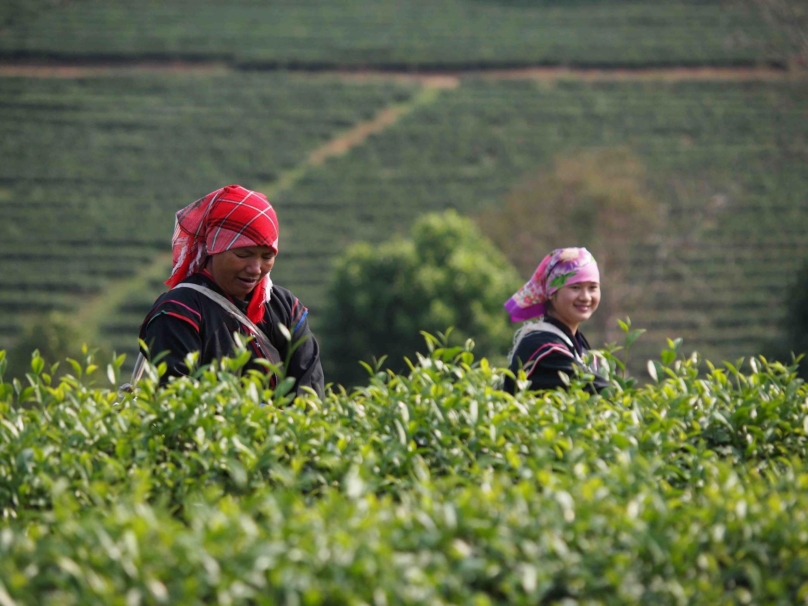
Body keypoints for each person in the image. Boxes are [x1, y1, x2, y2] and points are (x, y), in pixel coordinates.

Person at [138, 184, 324, 398]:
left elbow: (310, 392)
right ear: (214, 247)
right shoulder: (179, 311)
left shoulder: (284, 307)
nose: (255, 268)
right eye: (243, 254)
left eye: (266, 256)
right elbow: (178, 400)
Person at [502, 247, 608, 394]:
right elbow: (599, 393)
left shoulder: (578, 344)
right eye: (575, 287)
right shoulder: (543, 348)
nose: (585, 297)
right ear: (551, 292)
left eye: (593, 287)